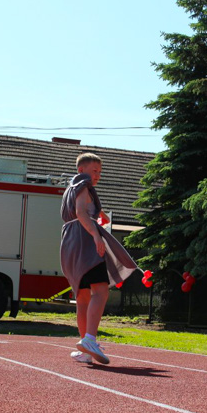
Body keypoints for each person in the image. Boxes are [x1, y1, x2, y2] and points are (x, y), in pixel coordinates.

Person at [60, 153, 138, 364]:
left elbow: (82, 209)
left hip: (70, 244)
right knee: (101, 291)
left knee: (83, 297)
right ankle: (90, 340)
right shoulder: (84, 186)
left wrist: (100, 212)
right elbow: (82, 213)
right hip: (85, 242)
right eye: (94, 171)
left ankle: (86, 349)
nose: (98, 176)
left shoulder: (71, 188)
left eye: (100, 172)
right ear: (81, 170)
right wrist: (96, 235)